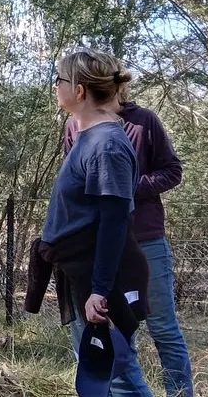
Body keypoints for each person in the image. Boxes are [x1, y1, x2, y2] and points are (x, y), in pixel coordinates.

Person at [64, 56, 185, 396]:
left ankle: (180, 392)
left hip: (145, 240)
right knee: (109, 330)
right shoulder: (75, 124)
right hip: (98, 246)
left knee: (163, 328)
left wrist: (125, 187)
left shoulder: (143, 121)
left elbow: (172, 170)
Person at [41, 50, 152, 397]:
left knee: (119, 377)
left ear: (79, 90)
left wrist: (99, 290)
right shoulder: (88, 137)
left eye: (59, 79)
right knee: (99, 372)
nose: (54, 86)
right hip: (82, 272)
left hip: (97, 277)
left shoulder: (107, 145)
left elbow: (114, 222)